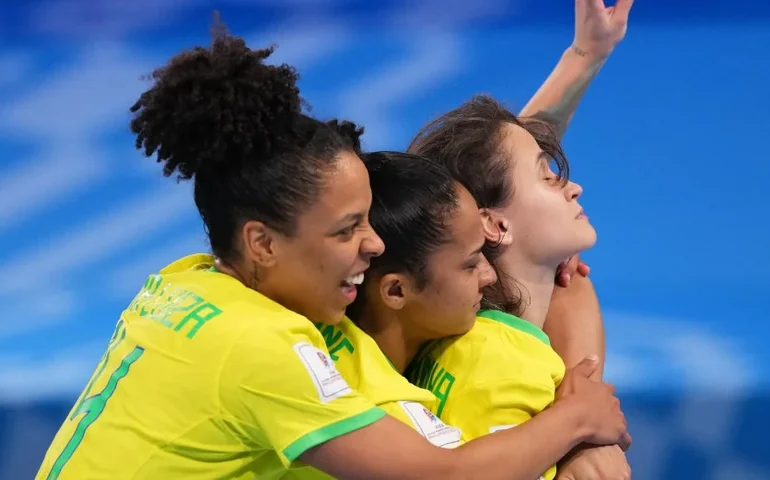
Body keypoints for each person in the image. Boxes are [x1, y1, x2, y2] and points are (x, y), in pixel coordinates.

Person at [35, 22, 628, 480]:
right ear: (262, 243)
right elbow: (441, 474)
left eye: (369, 218)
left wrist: (583, 60)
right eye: (347, 230)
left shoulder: (196, 281)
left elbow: (460, 202)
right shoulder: (261, 350)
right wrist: (575, 424)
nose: (374, 241)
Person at [406, 95, 628, 480]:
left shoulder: (460, 339)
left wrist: (585, 56)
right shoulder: (509, 365)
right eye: (546, 176)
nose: (573, 187)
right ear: (494, 225)